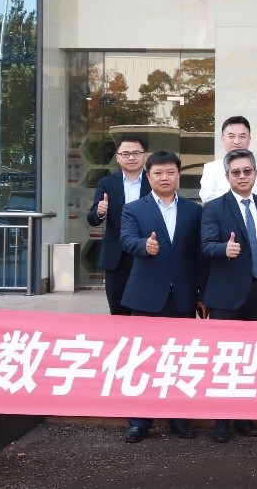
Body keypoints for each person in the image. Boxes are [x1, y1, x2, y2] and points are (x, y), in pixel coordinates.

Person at [117, 151, 204, 443]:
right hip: (146, 297)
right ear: (148, 176)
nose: (164, 178)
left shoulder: (194, 210)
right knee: (143, 360)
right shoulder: (133, 209)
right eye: (158, 173)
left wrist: (201, 294)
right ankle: (139, 421)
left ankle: (178, 418)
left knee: (179, 359)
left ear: (178, 175)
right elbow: (126, 240)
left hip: (182, 297)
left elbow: (198, 256)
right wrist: (143, 246)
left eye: (170, 172)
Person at [199, 149, 257, 443]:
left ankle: (245, 417)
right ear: (227, 176)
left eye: (247, 171)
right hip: (226, 296)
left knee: (251, 358)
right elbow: (206, 245)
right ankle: (222, 421)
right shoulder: (214, 208)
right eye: (236, 172)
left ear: (255, 174)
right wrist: (224, 249)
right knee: (225, 359)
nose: (242, 176)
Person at [86, 135, 151, 316]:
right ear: (117, 157)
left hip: (147, 253)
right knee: (118, 310)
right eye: (126, 154)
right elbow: (92, 218)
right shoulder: (107, 183)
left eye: (136, 153)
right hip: (117, 256)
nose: (131, 157)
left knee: (146, 311)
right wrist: (100, 211)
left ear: (144, 156)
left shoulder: (153, 181)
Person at [201, 116, 257, 203]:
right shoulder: (211, 168)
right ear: (222, 138)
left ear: (249, 139)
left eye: (242, 136)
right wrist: (242, 195)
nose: (236, 141)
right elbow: (207, 198)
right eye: (231, 136)